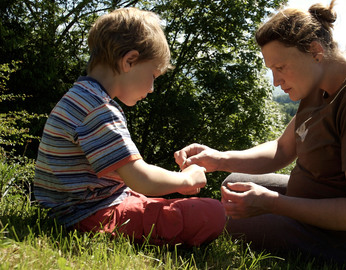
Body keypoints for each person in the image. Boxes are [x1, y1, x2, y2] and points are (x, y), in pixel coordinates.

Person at [174, 0, 346, 268]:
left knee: (224, 218)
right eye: (271, 70)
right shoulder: (318, 82)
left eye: (280, 68)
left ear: (315, 51)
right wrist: (219, 159)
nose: (275, 82)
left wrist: (272, 203)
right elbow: (282, 149)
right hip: (321, 201)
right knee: (233, 183)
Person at [33, 7, 225, 247]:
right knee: (212, 213)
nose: (152, 88)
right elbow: (140, 178)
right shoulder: (98, 109)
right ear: (129, 61)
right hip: (89, 216)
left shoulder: (80, 96)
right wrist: (186, 179)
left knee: (171, 204)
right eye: (153, 75)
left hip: (77, 207)